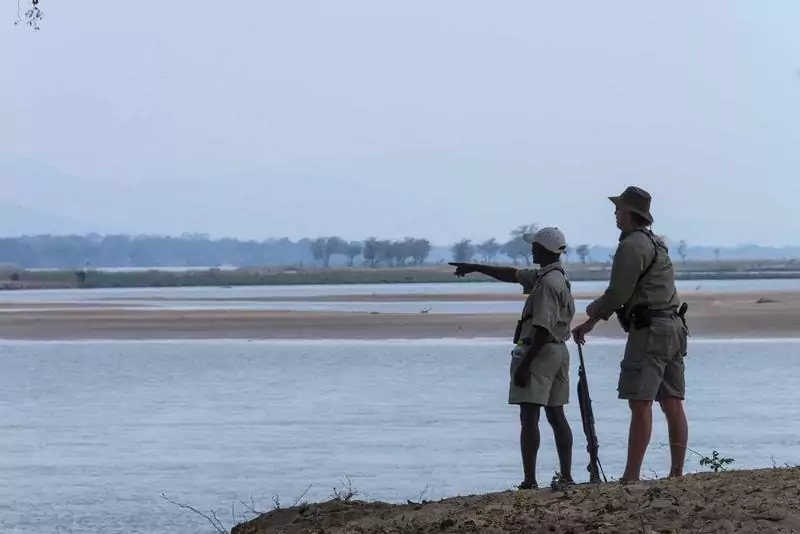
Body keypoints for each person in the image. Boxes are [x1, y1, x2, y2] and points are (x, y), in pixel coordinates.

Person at [571, 186, 689, 483]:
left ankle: (631, 475)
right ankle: (677, 473)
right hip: (673, 327)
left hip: (650, 331)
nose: (615, 213)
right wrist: (593, 323)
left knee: (640, 401)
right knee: (672, 401)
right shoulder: (656, 243)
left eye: (619, 209)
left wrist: (592, 312)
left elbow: (618, 292)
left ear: (630, 214)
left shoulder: (633, 245)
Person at [450, 227, 575, 490]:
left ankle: (530, 481)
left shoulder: (548, 283)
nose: (531, 249)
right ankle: (566, 476)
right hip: (558, 351)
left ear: (545, 249)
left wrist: (525, 365)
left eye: (535, 246)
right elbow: (512, 274)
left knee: (529, 415)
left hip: (540, 351)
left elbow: (541, 327)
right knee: (556, 413)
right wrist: (476, 267)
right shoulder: (554, 276)